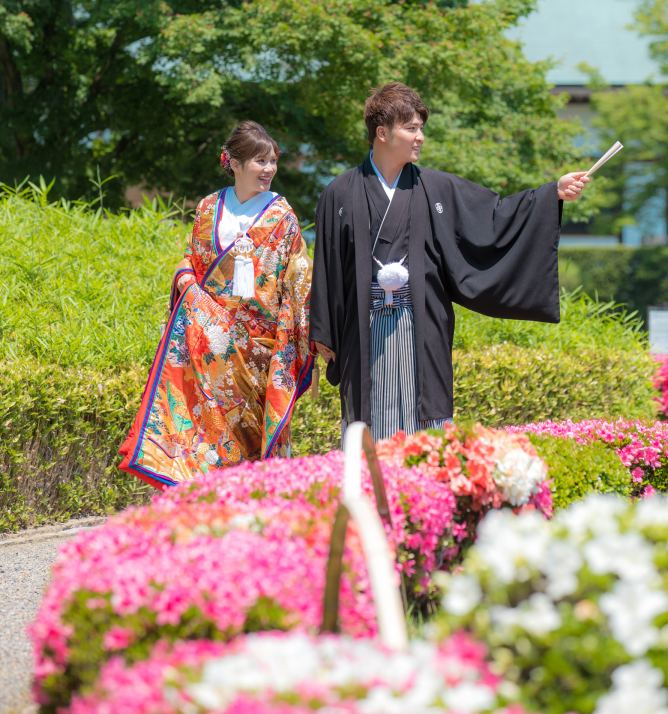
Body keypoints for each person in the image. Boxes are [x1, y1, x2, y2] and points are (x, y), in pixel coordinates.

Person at [309, 83, 590, 441]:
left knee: (425, 425)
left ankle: (427, 491)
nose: (420, 137)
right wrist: (323, 331)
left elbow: (496, 216)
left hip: (421, 323)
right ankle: (372, 489)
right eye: (411, 128)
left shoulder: (438, 188)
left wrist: (552, 193)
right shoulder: (340, 192)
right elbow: (328, 267)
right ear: (382, 133)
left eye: (421, 128)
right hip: (363, 329)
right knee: (369, 422)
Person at [120, 121, 313, 488]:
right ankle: (203, 508)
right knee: (206, 438)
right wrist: (185, 281)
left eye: (272, 161)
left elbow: (298, 280)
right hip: (207, 348)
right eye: (260, 161)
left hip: (257, 350)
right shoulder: (209, 207)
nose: (269, 169)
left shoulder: (282, 217)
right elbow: (189, 258)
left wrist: (309, 335)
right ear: (233, 163)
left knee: (252, 444)